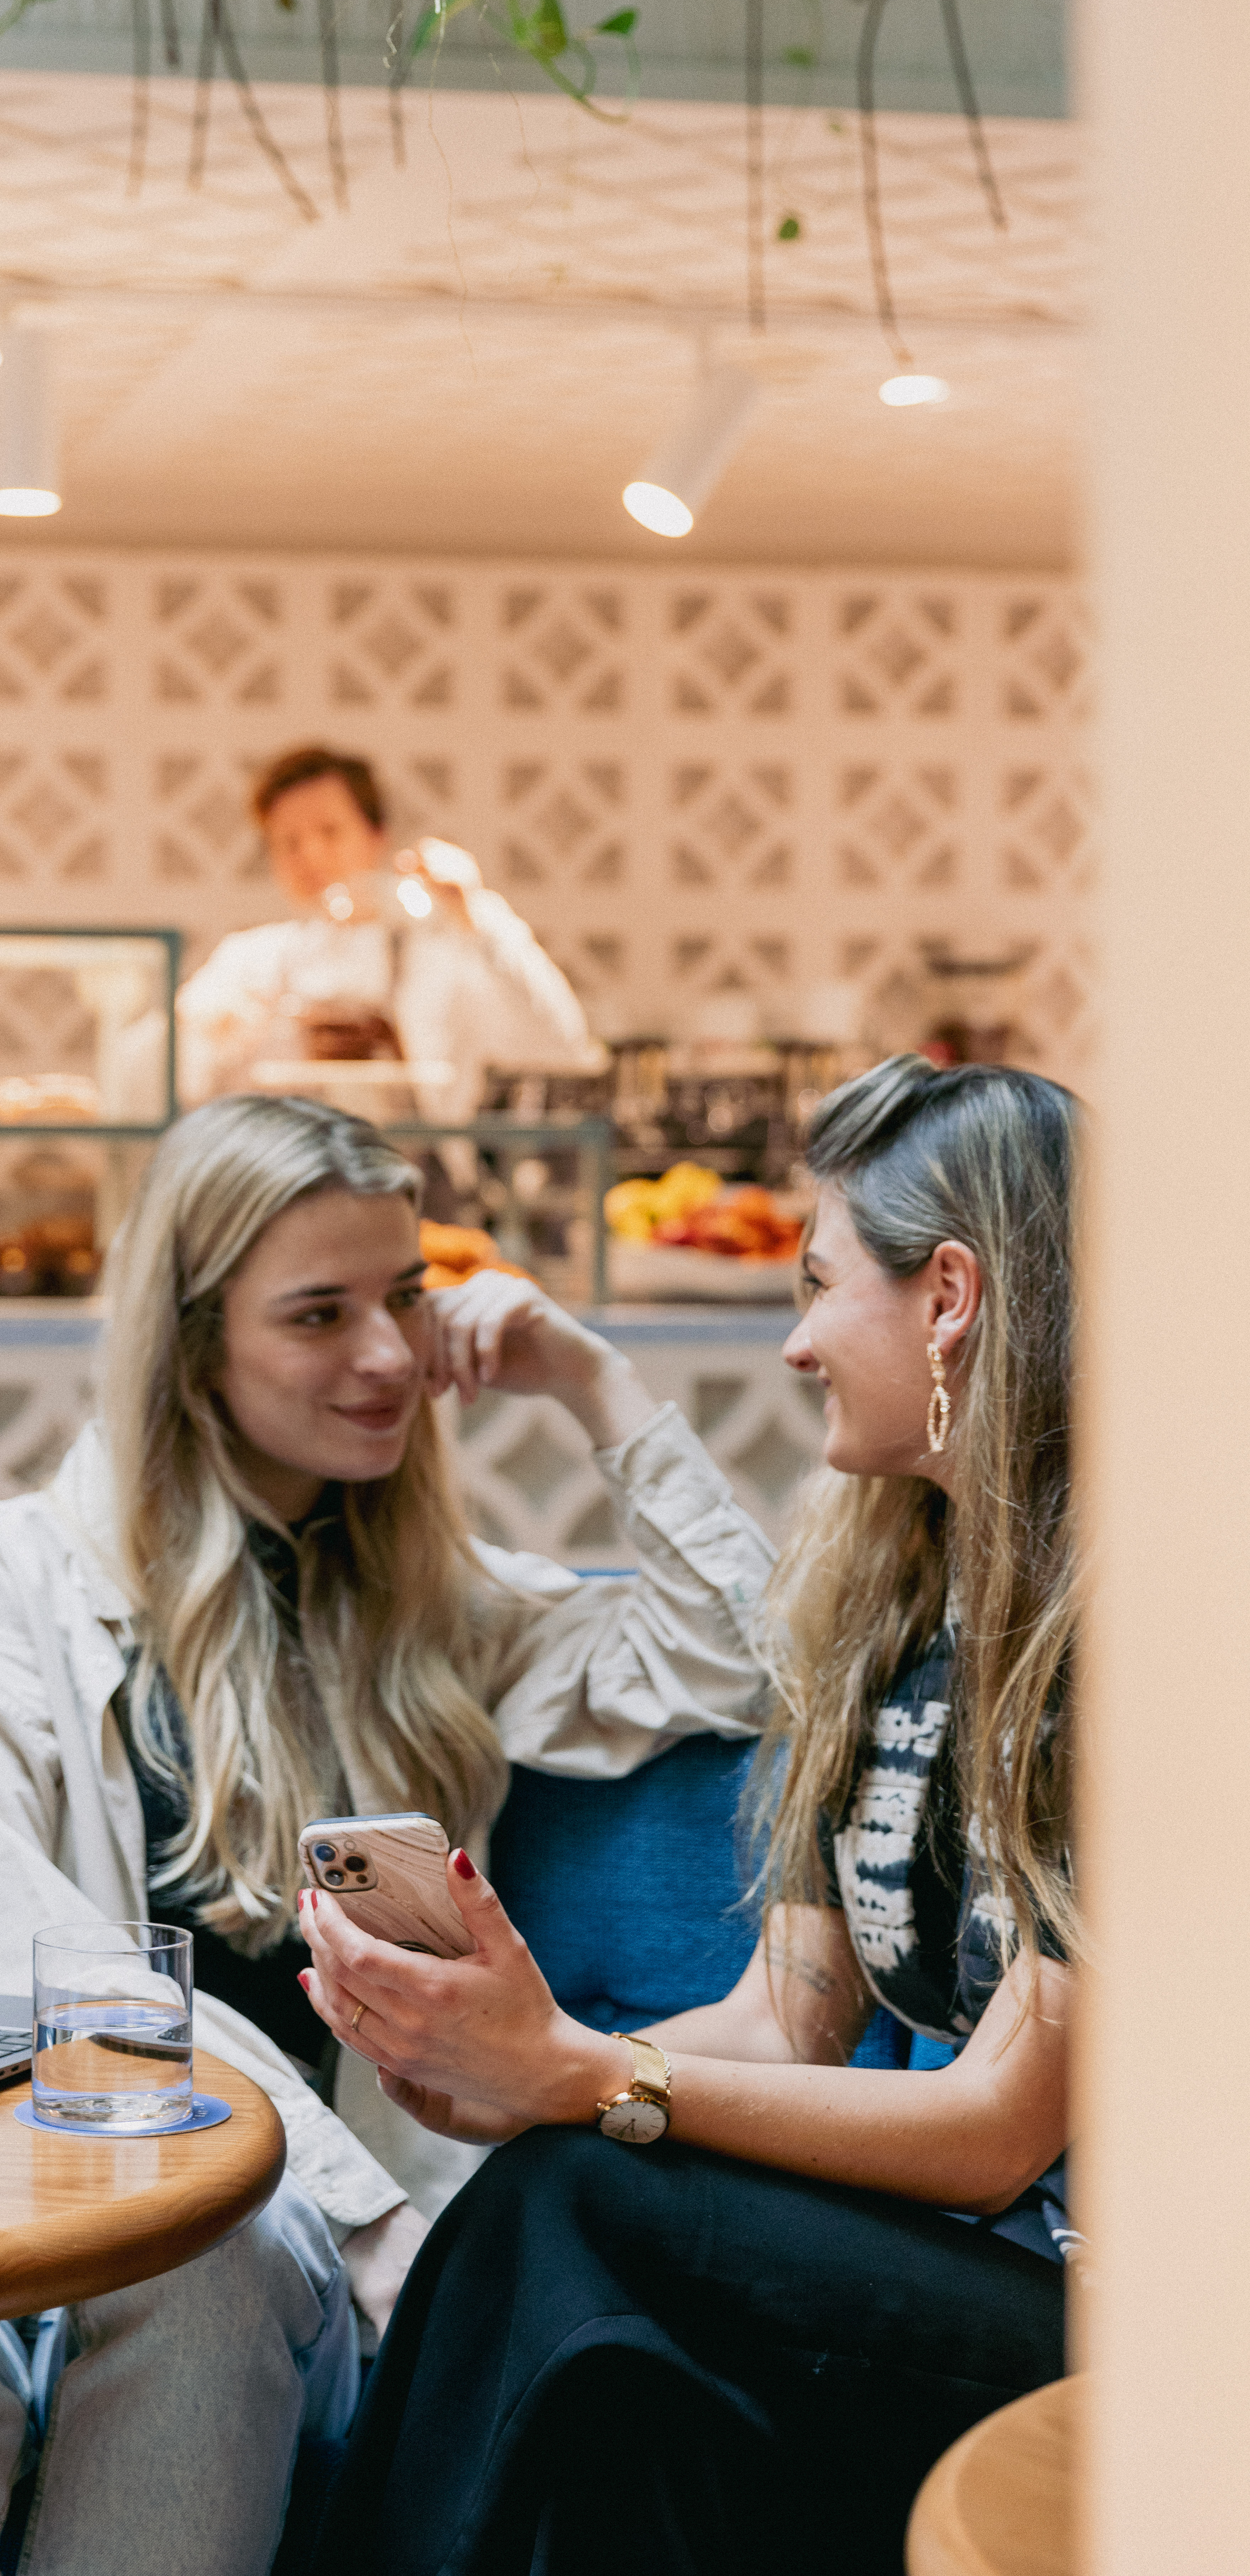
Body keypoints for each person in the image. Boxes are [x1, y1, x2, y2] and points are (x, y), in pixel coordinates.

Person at [0, 1092, 778, 2576]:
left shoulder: (434, 1607)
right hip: (34, 2214)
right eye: (318, 1312)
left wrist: (595, 1380)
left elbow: (732, 1664)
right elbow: (23, 1952)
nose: (385, 1356)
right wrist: (348, 2209)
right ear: (193, 1336)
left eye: (404, 1299)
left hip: (271, 2269)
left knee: (207, 2237)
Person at [297, 1056, 1078, 2576]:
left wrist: (576, 2074)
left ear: (950, 1298)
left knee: (583, 2183)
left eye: (816, 1285)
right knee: (611, 2379)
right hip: (976, 2284)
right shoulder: (888, 1605)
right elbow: (785, 2023)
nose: (790, 1344)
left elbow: (995, 2132)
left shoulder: (1134, 1625)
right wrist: (511, 2073)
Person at [176, 744, 595, 1119]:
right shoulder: (250, 961)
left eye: (329, 831)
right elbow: (168, 1079)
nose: (312, 855)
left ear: (377, 835)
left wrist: (476, 913)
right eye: (289, 842)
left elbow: (562, 1046)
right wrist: (247, 1038)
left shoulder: (444, 952)